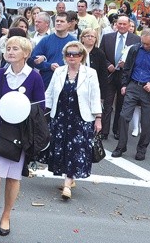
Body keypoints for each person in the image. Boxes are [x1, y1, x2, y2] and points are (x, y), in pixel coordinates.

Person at [0, 36, 45, 240]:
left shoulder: (35, 77)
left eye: (15, 48)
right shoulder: (0, 74)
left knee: (12, 178)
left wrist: (3, 103)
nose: (9, 51)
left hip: (19, 134)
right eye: (7, 48)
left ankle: (6, 215)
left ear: (25, 53)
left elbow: (39, 109)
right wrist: (2, 106)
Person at [44, 41, 102, 200]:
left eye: (75, 54)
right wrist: (44, 112)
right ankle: (69, 178)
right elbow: (49, 93)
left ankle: (67, 185)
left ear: (82, 56)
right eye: (68, 54)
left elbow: (95, 96)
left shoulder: (90, 73)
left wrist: (98, 118)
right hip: (61, 117)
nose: (71, 57)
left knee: (75, 150)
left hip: (80, 118)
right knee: (63, 149)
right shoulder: (59, 72)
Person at [112, 29, 150, 161]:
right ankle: (121, 146)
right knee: (123, 116)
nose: (144, 46)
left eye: (147, 44)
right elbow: (127, 68)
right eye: (143, 43)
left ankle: (142, 149)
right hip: (133, 85)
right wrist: (124, 85)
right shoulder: (135, 50)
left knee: (146, 122)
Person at [98, 15, 141, 140]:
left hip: (125, 76)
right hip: (110, 75)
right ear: (116, 25)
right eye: (119, 24)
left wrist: (126, 64)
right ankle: (104, 131)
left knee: (121, 105)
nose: (122, 26)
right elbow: (102, 55)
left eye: (124, 24)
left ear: (129, 25)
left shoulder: (136, 39)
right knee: (107, 104)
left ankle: (117, 130)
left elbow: (137, 58)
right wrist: (108, 65)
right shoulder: (107, 38)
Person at [31, 12, 75, 88]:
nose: (58, 23)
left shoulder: (74, 42)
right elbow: (32, 59)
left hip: (67, 82)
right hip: (47, 82)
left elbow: (79, 62)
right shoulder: (45, 40)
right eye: (57, 21)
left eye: (62, 21)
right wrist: (49, 66)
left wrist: (63, 68)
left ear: (69, 24)